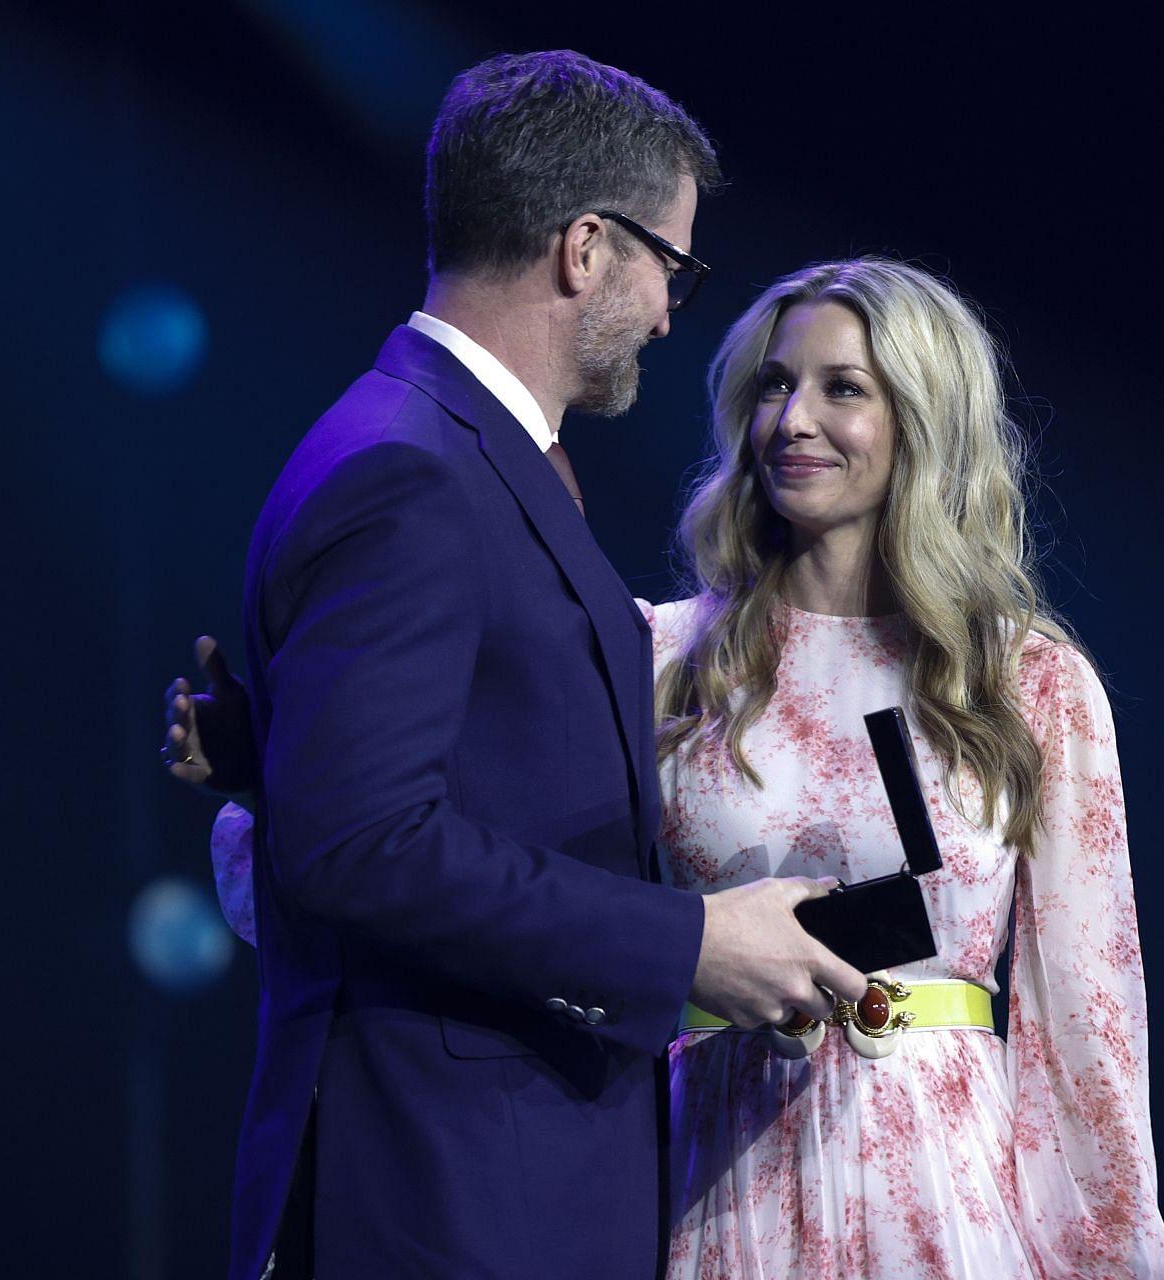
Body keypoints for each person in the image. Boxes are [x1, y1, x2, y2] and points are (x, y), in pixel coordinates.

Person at [179, 258, 1164, 1278]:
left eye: (843, 388)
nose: (792, 419)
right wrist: (288, 769)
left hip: (938, 1201)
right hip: (701, 1178)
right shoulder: (658, 656)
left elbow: (1089, 1022)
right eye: (773, 386)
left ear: (925, 418)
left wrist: (1109, 1256)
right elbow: (471, 877)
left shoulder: (1025, 682)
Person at [194, 50, 870, 1280]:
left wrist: (268, 765)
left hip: (507, 1182)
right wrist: (688, 945)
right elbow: (366, 841)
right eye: (672, 265)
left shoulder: (461, 451)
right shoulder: (411, 469)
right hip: (445, 1196)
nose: (674, 311)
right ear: (585, 248)